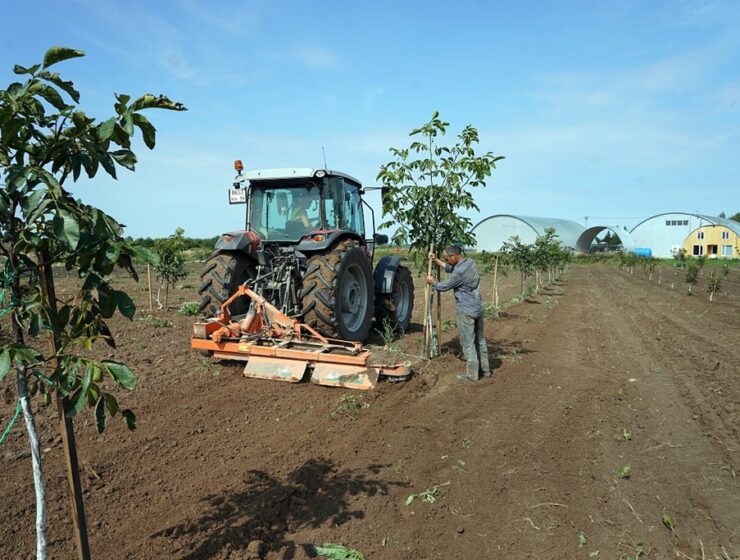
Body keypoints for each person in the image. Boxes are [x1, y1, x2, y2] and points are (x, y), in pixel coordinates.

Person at [426, 245, 491, 382]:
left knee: (468, 344)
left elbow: (443, 287)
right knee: (480, 340)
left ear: (454, 256)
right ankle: (485, 370)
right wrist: (437, 260)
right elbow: (453, 269)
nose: (446, 260)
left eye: (447, 258)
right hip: (478, 307)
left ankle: (472, 375)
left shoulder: (459, 273)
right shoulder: (470, 263)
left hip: (466, 312)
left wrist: (433, 282)